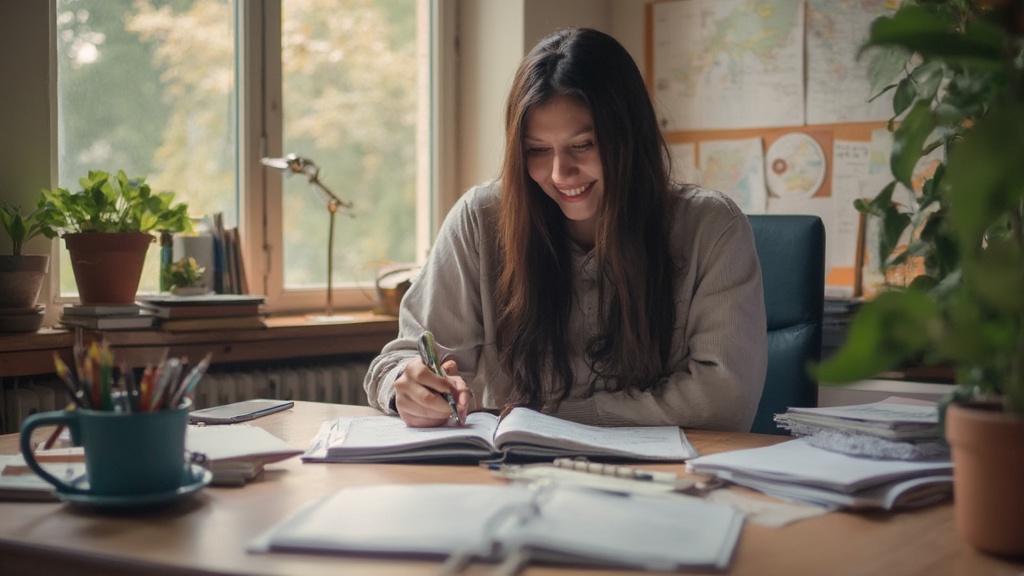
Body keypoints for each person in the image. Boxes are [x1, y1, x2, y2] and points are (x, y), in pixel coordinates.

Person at [364, 27, 766, 432]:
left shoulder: (712, 228)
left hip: (669, 480)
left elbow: (724, 399)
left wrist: (561, 419)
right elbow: (398, 360)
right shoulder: (479, 218)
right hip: (516, 475)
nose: (559, 173)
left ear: (630, 138)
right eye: (537, 150)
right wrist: (406, 386)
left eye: (583, 145)